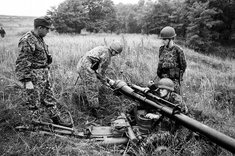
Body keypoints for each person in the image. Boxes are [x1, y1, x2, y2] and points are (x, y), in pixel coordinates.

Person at [15, 16, 73, 128]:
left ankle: (56, 120)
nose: (48, 31)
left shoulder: (39, 38)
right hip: (34, 75)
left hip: (44, 74)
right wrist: (27, 81)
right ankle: (34, 125)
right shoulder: (27, 39)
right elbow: (22, 61)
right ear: (40, 28)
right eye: (47, 29)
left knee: (49, 98)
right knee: (33, 102)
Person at [76, 42, 123, 118]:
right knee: (92, 88)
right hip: (86, 67)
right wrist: (106, 82)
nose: (115, 55)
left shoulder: (103, 48)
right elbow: (101, 72)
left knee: (90, 87)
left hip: (82, 64)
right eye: (116, 53)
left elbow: (97, 70)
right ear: (113, 50)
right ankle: (95, 110)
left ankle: (92, 105)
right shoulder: (107, 56)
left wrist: (104, 79)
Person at [156, 26, 187, 94]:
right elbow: (160, 65)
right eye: (162, 39)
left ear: (171, 39)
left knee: (174, 101)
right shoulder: (161, 49)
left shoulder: (178, 51)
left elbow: (183, 67)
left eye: (165, 39)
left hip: (174, 83)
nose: (163, 41)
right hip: (163, 81)